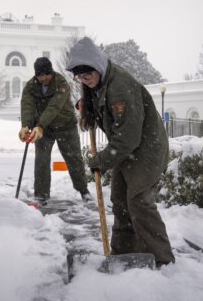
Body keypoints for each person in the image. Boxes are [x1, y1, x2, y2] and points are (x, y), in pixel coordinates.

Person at [65, 37, 175, 267]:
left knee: (138, 203)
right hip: (127, 152)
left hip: (145, 151)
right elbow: (105, 111)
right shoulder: (101, 81)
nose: (84, 81)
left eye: (87, 76)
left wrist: (100, 161)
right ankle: (123, 254)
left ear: (97, 67)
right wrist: (86, 106)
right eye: (80, 78)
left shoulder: (120, 89)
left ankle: (163, 261)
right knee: (119, 200)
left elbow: (128, 138)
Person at [18, 56, 92, 205]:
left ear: (51, 72)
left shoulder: (61, 83)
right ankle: (41, 195)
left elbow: (54, 107)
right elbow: (27, 105)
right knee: (41, 160)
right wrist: (26, 126)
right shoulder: (31, 86)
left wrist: (40, 125)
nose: (44, 78)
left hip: (65, 126)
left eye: (46, 74)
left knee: (74, 159)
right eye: (40, 75)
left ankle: (83, 190)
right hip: (44, 130)